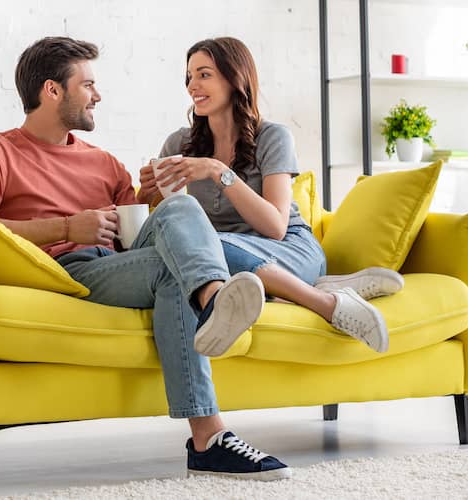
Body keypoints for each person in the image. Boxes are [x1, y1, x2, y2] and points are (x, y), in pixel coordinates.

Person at [0, 37, 291, 481]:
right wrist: (64, 229)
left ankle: (208, 427)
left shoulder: (104, 163)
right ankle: (214, 316)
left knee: (180, 213)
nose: (98, 95)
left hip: (120, 264)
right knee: (175, 262)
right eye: (88, 85)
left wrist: (155, 194)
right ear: (52, 90)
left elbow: (140, 234)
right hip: (67, 272)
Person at [139, 37, 404, 356]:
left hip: (289, 251)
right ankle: (315, 292)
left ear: (235, 78)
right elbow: (160, 221)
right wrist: (148, 193)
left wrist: (217, 171)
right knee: (186, 249)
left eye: (204, 74)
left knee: (201, 245)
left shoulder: (272, 137)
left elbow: (275, 227)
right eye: (189, 76)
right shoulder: (179, 144)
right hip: (227, 262)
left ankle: (326, 303)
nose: (192, 85)